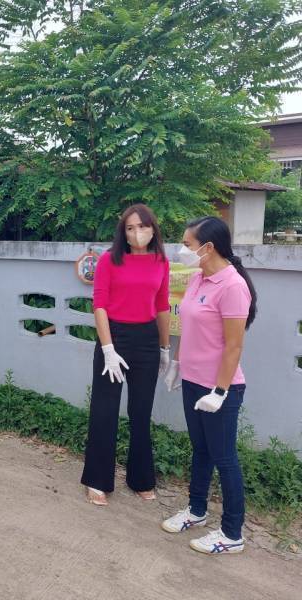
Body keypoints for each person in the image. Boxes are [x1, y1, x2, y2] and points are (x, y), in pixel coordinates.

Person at [161, 216, 256, 555]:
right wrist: (177, 364)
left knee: (224, 457)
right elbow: (189, 327)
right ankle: (196, 510)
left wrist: (219, 391)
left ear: (208, 247)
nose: (181, 250)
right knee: (200, 450)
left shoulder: (233, 286)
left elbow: (234, 346)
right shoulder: (198, 278)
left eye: (187, 244)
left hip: (220, 389)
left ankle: (232, 533)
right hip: (192, 380)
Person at [81, 204, 171, 506]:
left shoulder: (161, 261)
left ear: (153, 229)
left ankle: (141, 478)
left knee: (141, 412)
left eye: (142, 226)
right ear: (123, 232)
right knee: (104, 410)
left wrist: (165, 348)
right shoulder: (109, 259)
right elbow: (99, 304)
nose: (137, 233)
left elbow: (162, 305)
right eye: (130, 228)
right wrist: (108, 349)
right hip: (114, 336)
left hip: (146, 339)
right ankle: (97, 479)